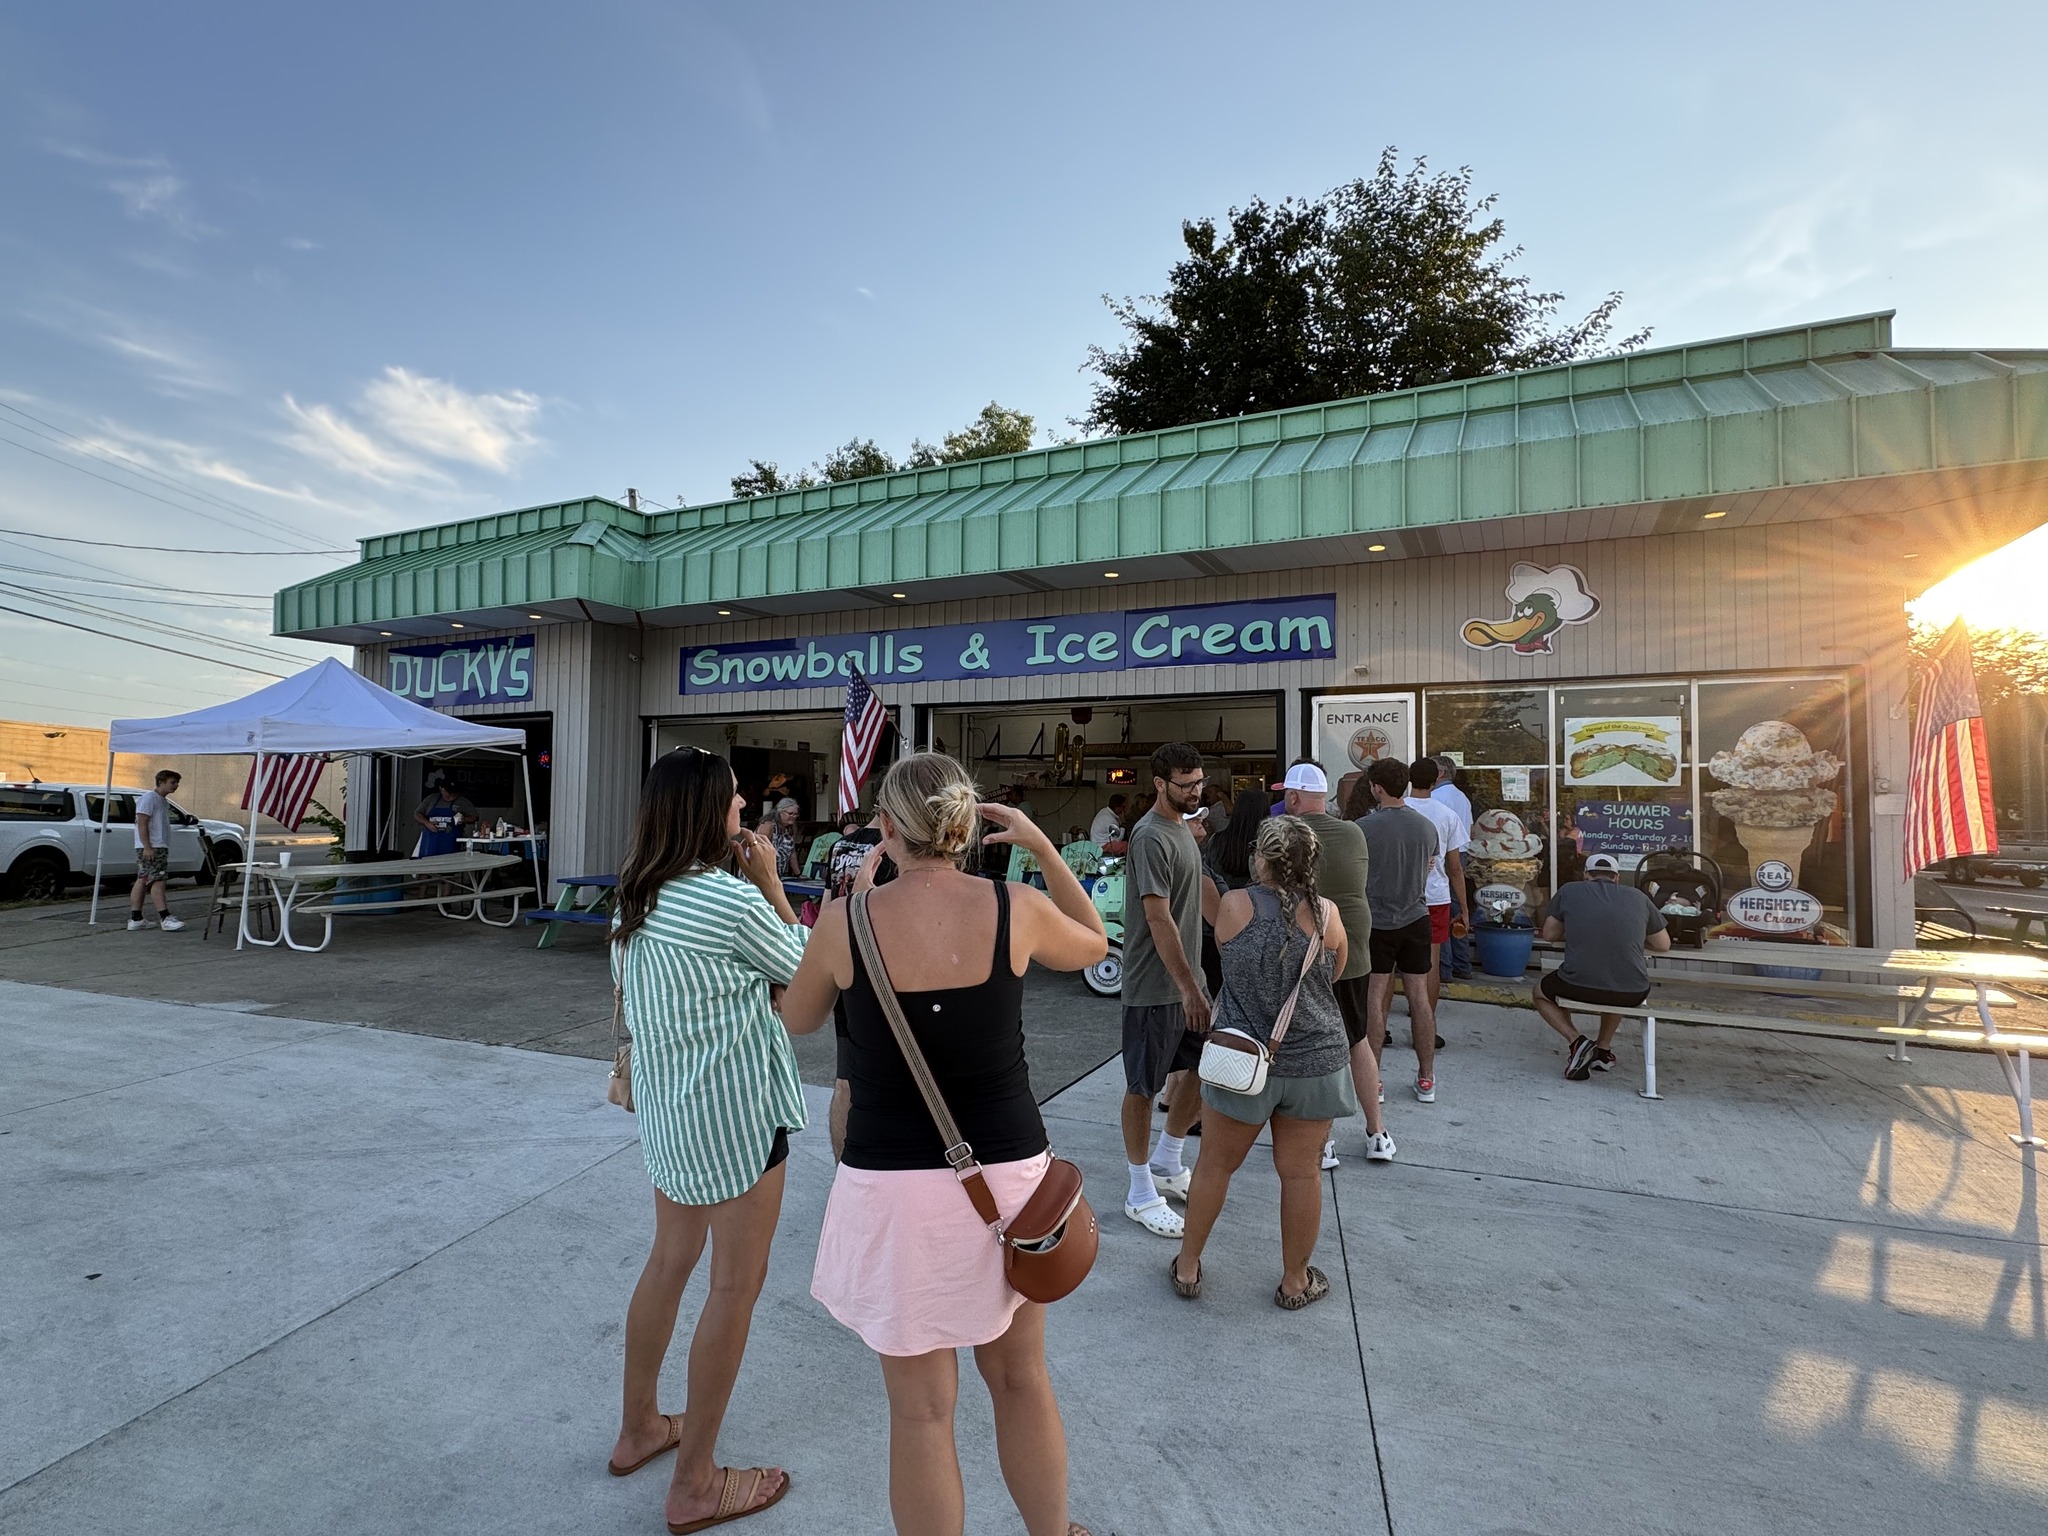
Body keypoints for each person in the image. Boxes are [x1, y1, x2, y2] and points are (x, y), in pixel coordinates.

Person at [779, 751, 1105, 1536]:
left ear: (887, 829)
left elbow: (799, 1018)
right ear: (965, 826)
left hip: (893, 1185)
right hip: (1010, 1180)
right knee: (1021, 1379)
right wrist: (1040, 845)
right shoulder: (1016, 905)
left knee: (921, 1412)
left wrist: (851, 908)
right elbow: (1097, 940)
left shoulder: (846, 922)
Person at [607, 747, 808, 1533]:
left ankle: (639, 1427)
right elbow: (809, 979)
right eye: (733, 798)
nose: (744, 808)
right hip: (738, 1119)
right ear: (704, 812)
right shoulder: (728, 900)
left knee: (669, 1261)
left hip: (671, 1115)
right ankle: (695, 1484)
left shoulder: (637, 895)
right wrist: (770, 884)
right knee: (734, 1287)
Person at [1170, 815, 1356, 1308]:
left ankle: (1187, 1267)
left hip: (1241, 1059)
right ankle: (1295, 1282)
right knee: (1301, 1174)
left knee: (1214, 1165)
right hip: (1315, 1062)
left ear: (1262, 860)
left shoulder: (1235, 905)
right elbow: (1335, 972)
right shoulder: (1329, 914)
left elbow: (1226, 957)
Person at [1272, 763, 1390, 1168]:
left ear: (1293, 797)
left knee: (1311, 1048)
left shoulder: (1286, 834)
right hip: (1353, 948)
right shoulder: (1354, 831)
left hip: (1308, 951)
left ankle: (1323, 1141)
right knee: (1356, 1039)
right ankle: (1378, 1133)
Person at [1118, 742, 1211, 1238]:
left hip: (1187, 982)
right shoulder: (1151, 836)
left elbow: (1198, 900)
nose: (1196, 791)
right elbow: (1158, 917)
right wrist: (1188, 987)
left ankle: (1168, 1161)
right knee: (1143, 1087)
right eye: (1186, 784)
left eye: (1199, 781)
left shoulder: (1182, 829)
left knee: (1205, 1068)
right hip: (1155, 987)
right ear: (1160, 783)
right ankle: (1139, 1191)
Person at [1533, 852, 1672, 1079]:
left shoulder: (1569, 890)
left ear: (1586, 875)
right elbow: (1663, 944)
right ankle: (1603, 1050)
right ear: (1616, 877)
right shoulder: (1638, 897)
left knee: (1540, 993)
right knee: (1618, 977)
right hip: (1632, 992)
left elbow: (1549, 934)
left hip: (1577, 984)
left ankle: (1577, 1041)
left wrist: (1579, 930)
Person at [1355, 759, 1442, 1103]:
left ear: (1376, 787)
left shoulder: (1363, 828)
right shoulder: (1426, 827)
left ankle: (1373, 1080)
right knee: (1419, 997)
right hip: (1416, 917)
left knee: (1375, 997)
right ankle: (1426, 1077)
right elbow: (1430, 864)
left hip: (1377, 920)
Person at [1404, 757, 1469, 1013]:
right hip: (1436, 897)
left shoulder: (1397, 810)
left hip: (1400, 897)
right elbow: (1455, 868)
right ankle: (1426, 1019)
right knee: (1431, 961)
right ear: (1435, 781)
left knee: (1393, 962)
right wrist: (1464, 908)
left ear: (1410, 780)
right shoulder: (1448, 815)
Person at [1432, 755, 1475, 981]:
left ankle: (1445, 968)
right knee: (1458, 910)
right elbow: (1470, 830)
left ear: (1439, 773)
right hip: (1462, 852)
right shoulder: (1463, 798)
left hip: (1445, 856)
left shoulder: (1436, 797)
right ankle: (1462, 964)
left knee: (1443, 910)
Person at [128, 768, 186, 932]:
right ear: (161, 782)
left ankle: (136, 918)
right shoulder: (149, 799)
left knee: (144, 878)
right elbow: (142, 823)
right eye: (172, 782)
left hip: (155, 846)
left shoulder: (162, 801)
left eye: (177, 783)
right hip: (153, 846)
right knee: (158, 880)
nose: (176, 785)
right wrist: (148, 846)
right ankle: (165, 917)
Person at [1205, 787, 1269, 895]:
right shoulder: (1267, 844)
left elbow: (1208, 873)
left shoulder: (1216, 840)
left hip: (1222, 899)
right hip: (1259, 901)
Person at [414, 777, 476, 857]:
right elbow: (417, 814)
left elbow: (474, 816)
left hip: (451, 844)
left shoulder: (462, 801)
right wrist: (427, 823)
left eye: (453, 793)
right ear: (441, 789)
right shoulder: (431, 800)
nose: (451, 795)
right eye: (449, 793)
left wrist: (465, 819)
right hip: (430, 843)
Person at [755, 797, 802, 879]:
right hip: (760, 872)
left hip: (777, 874)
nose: (793, 816)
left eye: (795, 814)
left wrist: (798, 874)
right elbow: (758, 850)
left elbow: (792, 851)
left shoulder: (791, 828)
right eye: (790, 813)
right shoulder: (768, 826)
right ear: (780, 812)